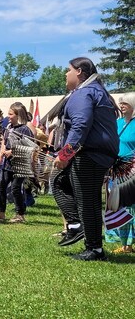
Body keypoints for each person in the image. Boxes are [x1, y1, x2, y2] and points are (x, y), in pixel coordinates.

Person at [51, 57, 119, 261]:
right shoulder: (96, 90)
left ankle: (92, 246)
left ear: (79, 72)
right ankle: (79, 228)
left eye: (68, 70)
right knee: (62, 182)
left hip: (89, 154)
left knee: (85, 200)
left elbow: (81, 125)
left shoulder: (84, 93)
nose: (65, 74)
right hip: (98, 153)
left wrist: (65, 154)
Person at [0, 102, 34, 223]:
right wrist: (0, 155)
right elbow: (4, 141)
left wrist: (12, 151)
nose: (8, 116)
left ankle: (20, 215)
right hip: (7, 163)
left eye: (11, 114)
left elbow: (29, 146)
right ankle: (1, 213)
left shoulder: (25, 129)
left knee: (15, 188)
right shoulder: (8, 127)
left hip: (20, 164)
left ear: (18, 115)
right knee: (1, 186)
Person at [105, 93, 135, 254]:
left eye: (125, 103)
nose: (121, 106)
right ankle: (124, 242)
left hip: (132, 172)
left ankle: (129, 244)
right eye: (120, 103)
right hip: (115, 170)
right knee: (117, 206)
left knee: (130, 207)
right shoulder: (116, 124)